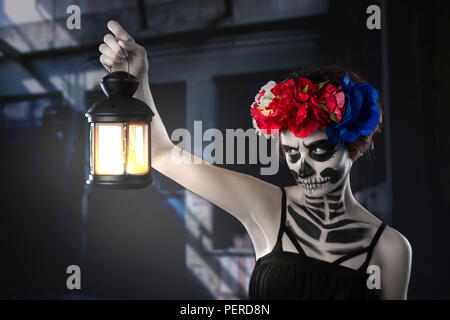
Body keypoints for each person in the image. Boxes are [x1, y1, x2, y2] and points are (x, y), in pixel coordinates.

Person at [99, 20, 412, 300]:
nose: (302, 168)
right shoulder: (268, 208)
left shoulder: (390, 249)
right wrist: (138, 83)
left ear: (352, 147)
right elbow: (162, 153)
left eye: (318, 151)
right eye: (291, 153)